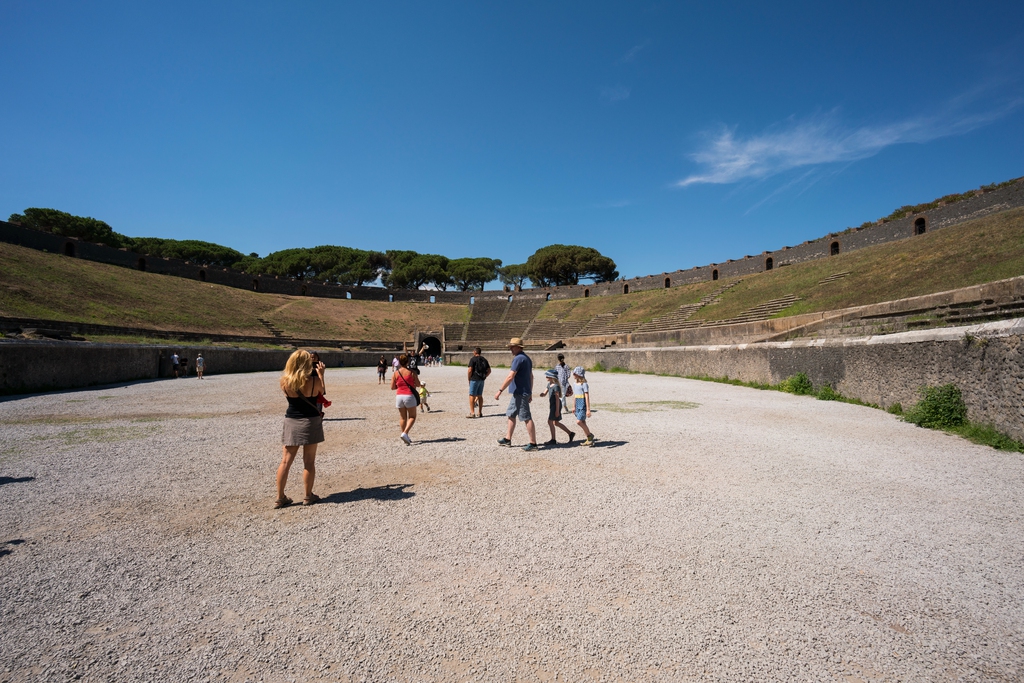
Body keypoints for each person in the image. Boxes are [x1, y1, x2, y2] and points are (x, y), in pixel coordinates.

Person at [277, 350, 325, 508]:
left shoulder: (284, 381)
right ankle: (307, 496)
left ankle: (280, 497)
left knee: (285, 461)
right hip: (310, 420)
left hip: (291, 420)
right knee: (309, 462)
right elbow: (321, 393)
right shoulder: (313, 380)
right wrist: (321, 375)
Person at [495, 337, 538, 451]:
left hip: (520, 392)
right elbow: (531, 376)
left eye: (512, 347)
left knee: (526, 417)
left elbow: (510, 376)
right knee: (511, 414)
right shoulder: (526, 358)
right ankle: (507, 439)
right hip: (519, 392)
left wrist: (500, 390)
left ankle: (533, 444)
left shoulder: (518, 359)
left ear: (518, 347)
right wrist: (530, 392)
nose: (510, 349)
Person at [391, 354, 421, 445]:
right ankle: (405, 433)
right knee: (412, 416)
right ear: (407, 362)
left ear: (399, 362)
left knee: (402, 417)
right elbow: (418, 384)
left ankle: (405, 436)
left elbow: (392, 387)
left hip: (399, 396)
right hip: (409, 395)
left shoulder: (396, 373)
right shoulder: (412, 372)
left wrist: (399, 385)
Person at [540, 368, 575, 445]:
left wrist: (556, 411)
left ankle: (553, 439)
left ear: (552, 377)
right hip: (552, 405)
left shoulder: (556, 386)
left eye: (547, 376)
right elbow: (545, 392)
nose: (546, 377)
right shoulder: (549, 384)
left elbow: (557, 399)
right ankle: (570, 433)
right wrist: (542, 394)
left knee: (550, 422)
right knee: (556, 422)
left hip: (556, 405)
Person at [571, 366, 595, 446]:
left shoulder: (584, 384)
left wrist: (588, 409)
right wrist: (573, 406)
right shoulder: (575, 384)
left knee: (579, 421)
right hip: (577, 404)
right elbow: (575, 395)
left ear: (578, 374)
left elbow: (587, 396)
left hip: (583, 404)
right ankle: (589, 439)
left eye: (574, 373)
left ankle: (590, 436)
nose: (573, 375)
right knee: (583, 422)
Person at [467, 347, 491, 418]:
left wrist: (469, 378)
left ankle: (472, 413)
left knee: (472, 395)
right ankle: (480, 412)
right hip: (481, 380)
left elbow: (470, 370)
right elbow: (489, 370)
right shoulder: (484, 359)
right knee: (480, 395)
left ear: (474, 352)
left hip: (474, 379)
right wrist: (484, 376)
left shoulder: (473, 359)